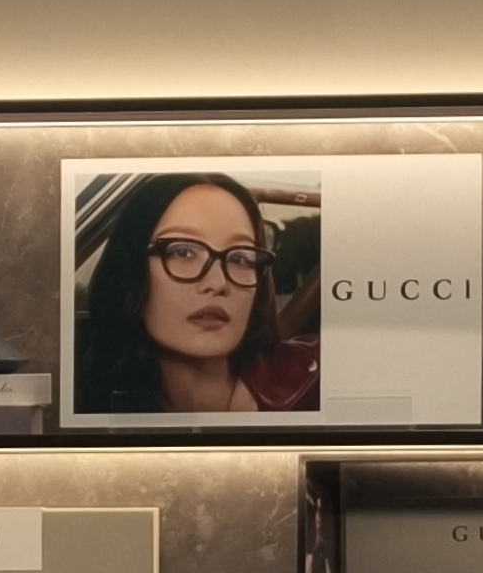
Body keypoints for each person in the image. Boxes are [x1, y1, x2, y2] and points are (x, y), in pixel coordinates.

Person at [72, 171, 319, 415]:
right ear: (129, 269)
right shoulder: (83, 397)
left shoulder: (320, 379)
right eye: (183, 252)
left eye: (239, 258)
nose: (218, 283)